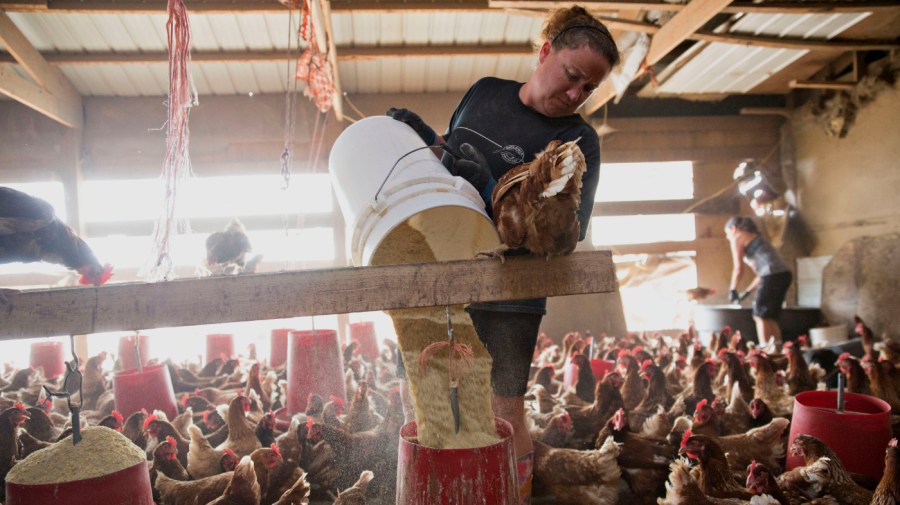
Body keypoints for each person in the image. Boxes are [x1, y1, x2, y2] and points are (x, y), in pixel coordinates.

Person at [387, 6, 619, 503]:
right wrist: (425, 137)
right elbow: (450, 154)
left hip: (513, 292)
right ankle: (440, 492)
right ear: (544, 53)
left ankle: (509, 495)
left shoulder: (581, 141)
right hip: (445, 271)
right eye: (572, 77)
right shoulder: (486, 91)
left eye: (588, 90)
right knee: (431, 396)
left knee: (503, 409)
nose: (576, 95)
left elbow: (566, 238)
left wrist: (493, 188)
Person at [725, 216, 793, 350]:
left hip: (772, 275)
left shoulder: (737, 237)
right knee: (770, 317)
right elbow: (763, 274)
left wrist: (732, 289)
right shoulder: (756, 238)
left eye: (727, 233)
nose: (728, 237)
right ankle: (777, 349)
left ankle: (765, 350)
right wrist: (747, 292)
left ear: (733, 229)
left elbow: (738, 268)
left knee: (759, 315)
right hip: (784, 275)